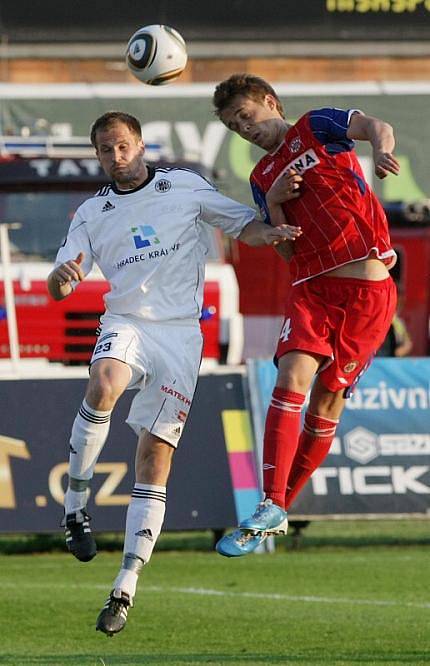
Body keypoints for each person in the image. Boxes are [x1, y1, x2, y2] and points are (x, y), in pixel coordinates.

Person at [47, 110, 296, 635]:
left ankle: (124, 589)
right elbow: (60, 279)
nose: (116, 158)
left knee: (155, 457)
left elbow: (242, 226)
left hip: (181, 335)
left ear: (140, 145)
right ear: (97, 155)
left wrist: (272, 234)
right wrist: (63, 278)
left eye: (122, 147)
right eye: (105, 150)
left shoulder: (184, 187)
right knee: (104, 383)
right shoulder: (92, 213)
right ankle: (75, 507)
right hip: (127, 322)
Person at [212, 74, 400, 557]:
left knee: (327, 402)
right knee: (292, 376)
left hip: (367, 290)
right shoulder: (260, 180)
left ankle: (278, 508)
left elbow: (376, 124)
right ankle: (269, 502)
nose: (244, 129)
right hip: (312, 287)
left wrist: (380, 152)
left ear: (269, 102)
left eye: (247, 117)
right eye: (235, 127)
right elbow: (285, 252)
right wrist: (273, 205)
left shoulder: (317, 125)